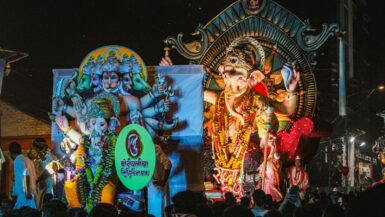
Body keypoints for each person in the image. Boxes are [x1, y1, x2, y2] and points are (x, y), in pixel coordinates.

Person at [9, 142, 37, 209]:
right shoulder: (29, 160)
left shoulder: (17, 160)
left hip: (25, 195)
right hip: (30, 194)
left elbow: (26, 175)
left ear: (11, 153)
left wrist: (27, 192)